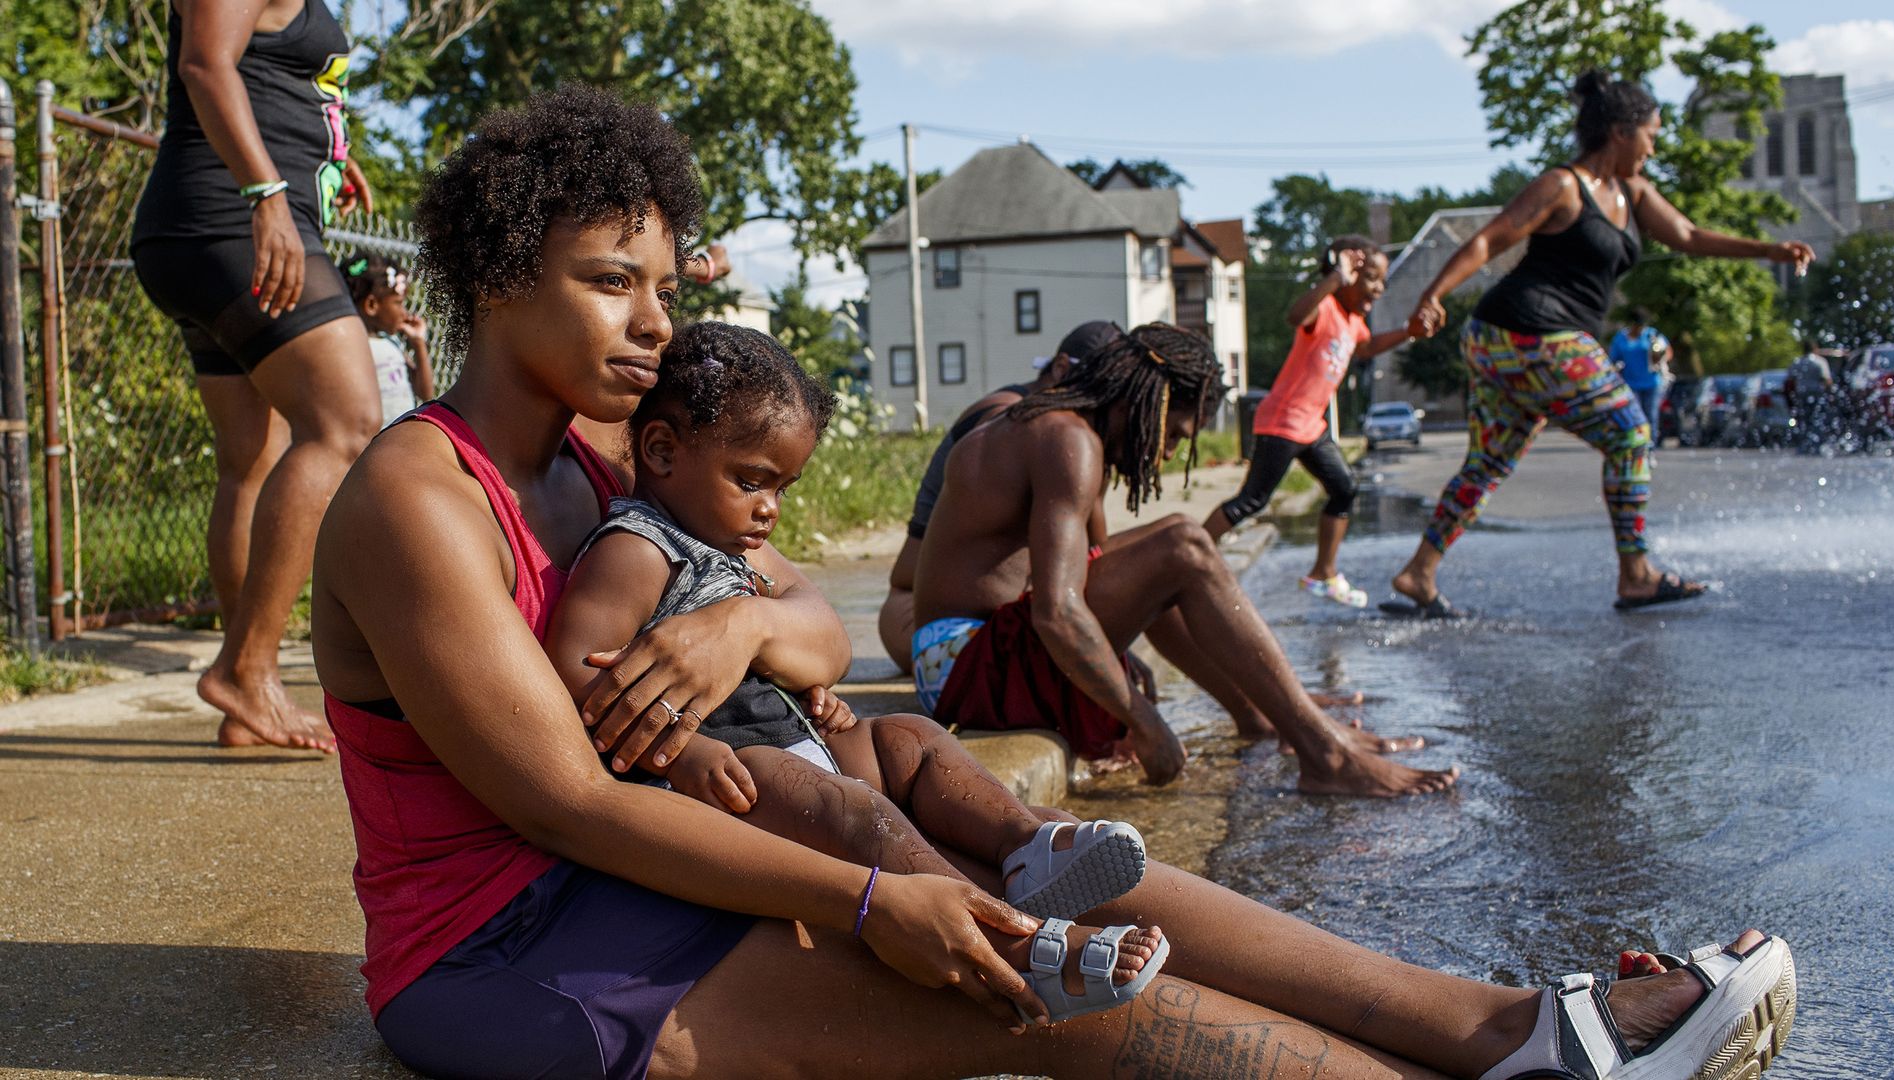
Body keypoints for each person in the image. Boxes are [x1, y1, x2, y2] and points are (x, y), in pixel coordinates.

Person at [312, 86, 1796, 1080]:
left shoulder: (593, 464)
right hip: (513, 947)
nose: (655, 321)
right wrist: (874, 890)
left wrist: (752, 626)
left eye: (661, 281)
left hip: (647, 866)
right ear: (501, 273)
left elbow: (816, 623)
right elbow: (562, 802)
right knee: (1042, 986)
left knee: (1087, 890)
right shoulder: (414, 498)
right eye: (607, 281)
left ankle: (1515, 1030)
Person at [543, 319, 1154, 934]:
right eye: (751, 481)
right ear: (662, 451)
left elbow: (792, 648)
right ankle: (984, 917)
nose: (769, 509)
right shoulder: (637, 549)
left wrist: (806, 699)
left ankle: (1027, 845)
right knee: (857, 811)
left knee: (910, 740)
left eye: (783, 488)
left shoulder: (725, 542)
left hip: (799, 743)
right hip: (735, 772)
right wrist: (679, 752)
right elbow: (575, 668)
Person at [911, 321, 1450, 795]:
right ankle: (1324, 753)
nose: (1167, 451)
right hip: (965, 666)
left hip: (960, 659)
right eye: (1174, 433)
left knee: (1167, 546)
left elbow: (1096, 571)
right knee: (1183, 546)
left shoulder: (1055, 427)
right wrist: (1145, 720)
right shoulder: (1066, 441)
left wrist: (1115, 655)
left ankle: (1260, 716)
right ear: (1146, 401)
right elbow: (1058, 613)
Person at [1388, 70, 1815, 616]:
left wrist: (1770, 251)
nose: (1654, 147)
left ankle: (1418, 572)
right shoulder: (1562, 185)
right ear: (1620, 131)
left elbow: (1687, 236)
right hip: (1530, 331)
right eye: (1651, 135)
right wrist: (1432, 294)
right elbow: (1492, 238)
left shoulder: (1631, 192)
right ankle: (1635, 574)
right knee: (1632, 435)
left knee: (1488, 464)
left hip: (1508, 342)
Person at [130, 0, 384, 751]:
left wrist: (328, 151)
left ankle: (244, 700)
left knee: (253, 460)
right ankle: (249, 669)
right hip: (231, 220)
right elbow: (205, 63)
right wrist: (267, 195)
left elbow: (267, 74)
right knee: (345, 424)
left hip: (213, 225)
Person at [877, 320, 1121, 673]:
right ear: (1062, 368)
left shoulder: (1078, 434)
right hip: (912, 609)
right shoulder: (1004, 419)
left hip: (997, 615)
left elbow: (1096, 554)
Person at [1205, 236, 1409, 610]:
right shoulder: (1326, 309)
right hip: (1282, 422)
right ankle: (1192, 551)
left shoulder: (1353, 321)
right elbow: (1295, 316)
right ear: (1347, 275)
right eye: (1372, 278)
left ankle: (1323, 574)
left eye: (1382, 281)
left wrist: (1409, 332)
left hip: (1311, 427)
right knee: (1252, 501)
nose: (1379, 288)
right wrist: (1334, 280)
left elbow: (1364, 348)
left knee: (1345, 487)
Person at [339, 250, 434, 425]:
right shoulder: (353, 347)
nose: (404, 312)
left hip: (399, 438)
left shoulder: (392, 342)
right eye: (398, 303)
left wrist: (418, 343)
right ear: (372, 305)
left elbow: (425, 392)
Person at [1608, 307, 1671, 447]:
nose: (1640, 329)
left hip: (1652, 383)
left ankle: (1651, 447)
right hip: (1631, 384)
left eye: (1642, 325)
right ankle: (1637, 445)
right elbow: (1613, 360)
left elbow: (1667, 352)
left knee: (1651, 416)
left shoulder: (1652, 335)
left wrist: (1659, 357)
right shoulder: (1620, 339)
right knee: (1635, 417)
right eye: (1637, 325)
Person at [1785, 339, 1836, 452]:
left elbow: (1789, 380)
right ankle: (1816, 445)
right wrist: (1831, 394)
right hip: (1817, 394)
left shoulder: (1797, 362)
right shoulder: (1820, 362)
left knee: (1803, 419)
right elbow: (1828, 381)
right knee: (1817, 419)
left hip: (1801, 394)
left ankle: (1803, 445)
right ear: (1815, 349)